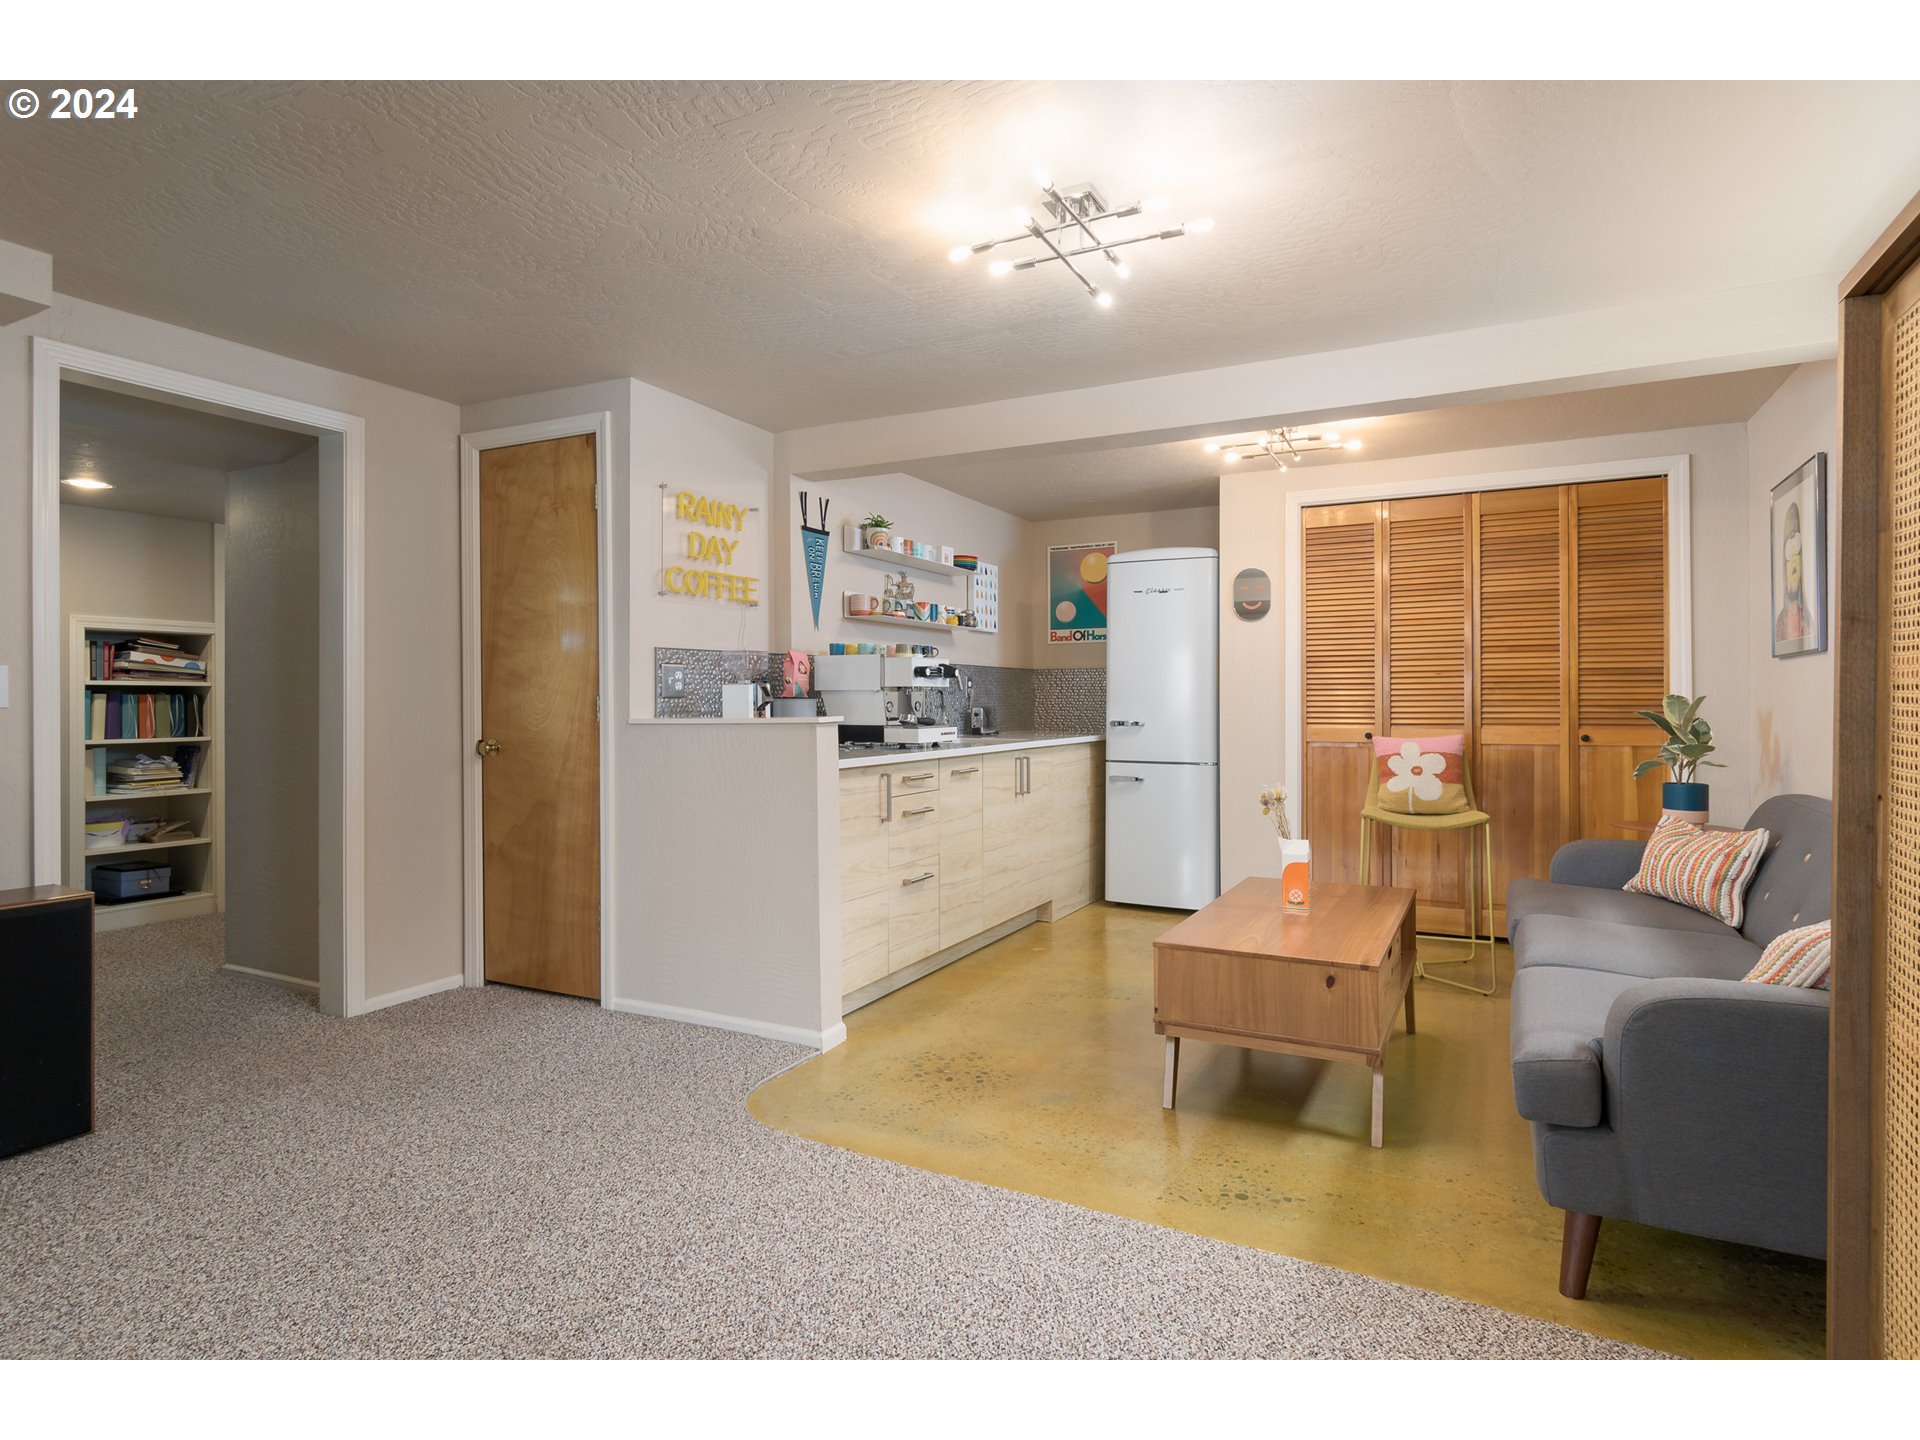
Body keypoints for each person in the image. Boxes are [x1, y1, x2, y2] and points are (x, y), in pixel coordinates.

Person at [1775, 500, 1812, 648]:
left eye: (1796, 567)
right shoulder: (1781, 621)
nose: (1793, 574)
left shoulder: (1807, 618)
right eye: (1790, 568)